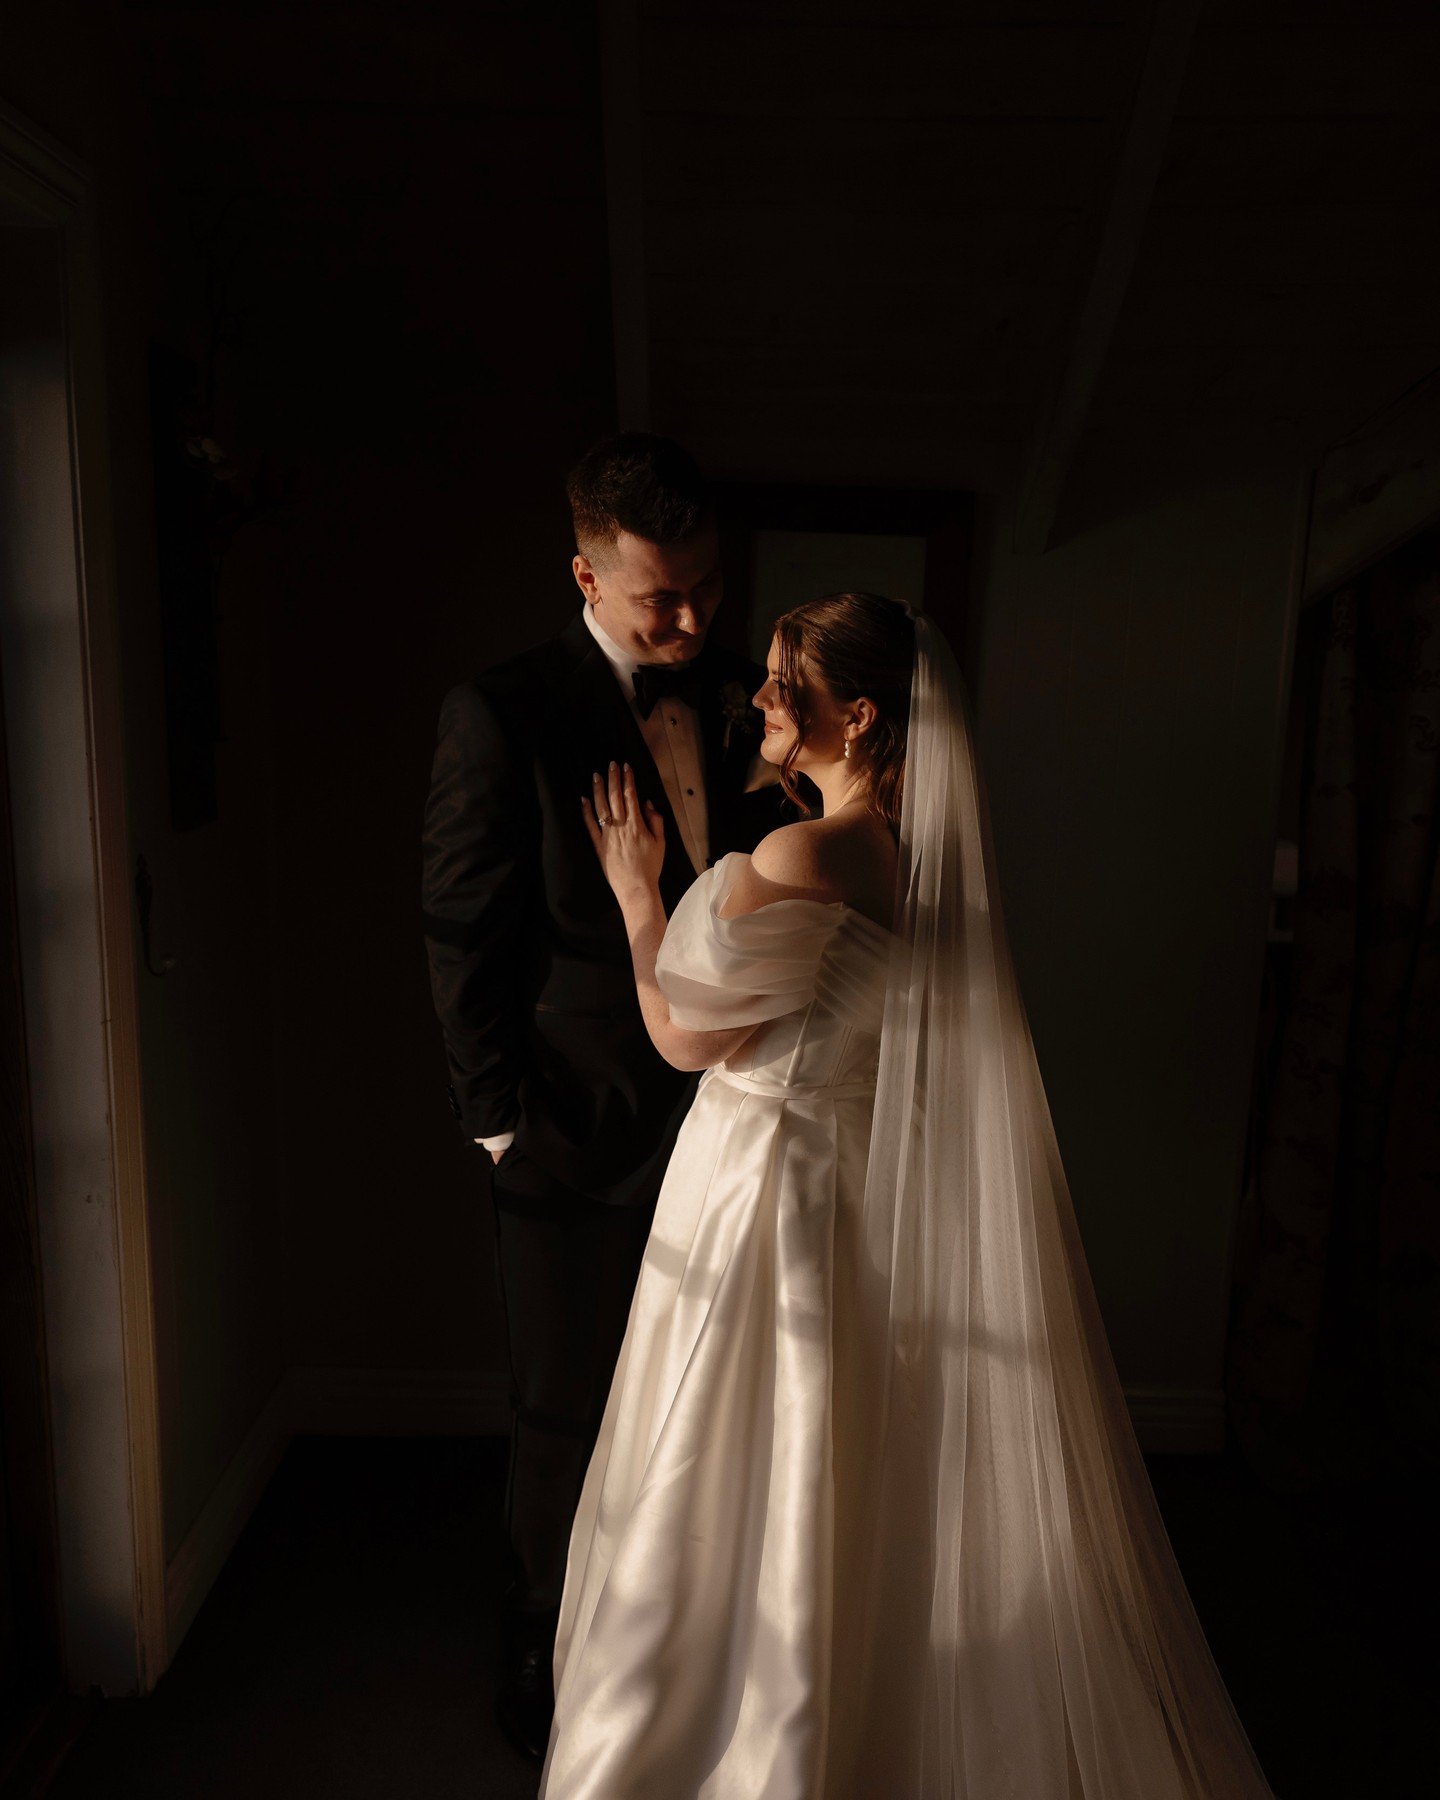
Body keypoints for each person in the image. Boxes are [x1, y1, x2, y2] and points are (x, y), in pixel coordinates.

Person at [539, 592, 1278, 1797]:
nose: (761, 697)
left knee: (727, 1463)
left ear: (860, 713)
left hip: (763, 1187)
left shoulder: (806, 852)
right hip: (848, 1187)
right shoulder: (902, 854)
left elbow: (684, 1038)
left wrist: (636, 893)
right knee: (826, 1460)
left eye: (787, 683)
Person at [420, 433, 785, 1762]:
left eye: (707, 587)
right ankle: (541, 1624)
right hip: (569, 1130)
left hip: (736, 1126)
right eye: (659, 596)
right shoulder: (501, 711)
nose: (690, 619)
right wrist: (502, 1119)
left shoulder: (758, 702)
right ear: (584, 572)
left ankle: (688, 1638)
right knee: (566, 1402)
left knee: (717, 1398)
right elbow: (462, 930)